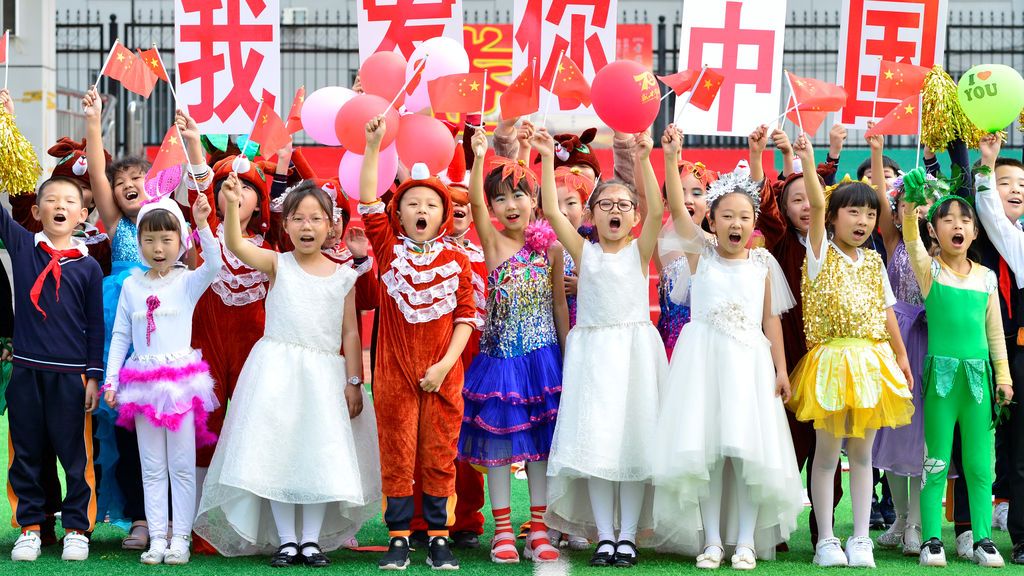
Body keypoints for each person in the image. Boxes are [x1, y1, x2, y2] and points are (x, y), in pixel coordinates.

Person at [194, 178, 380, 567]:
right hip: (277, 372)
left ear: (331, 226)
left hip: (324, 377)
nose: (307, 226)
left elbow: (349, 331)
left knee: (318, 455)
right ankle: (286, 541)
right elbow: (236, 245)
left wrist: (353, 380)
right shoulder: (278, 263)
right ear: (285, 225)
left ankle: (310, 541)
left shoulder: (344, 275)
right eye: (298, 218)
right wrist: (230, 207)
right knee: (275, 454)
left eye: (316, 219)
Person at [652, 125, 803, 570]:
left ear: (753, 223)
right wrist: (671, 156)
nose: (736, 224)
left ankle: (745, 542)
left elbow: (770, 320)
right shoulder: (700, 254)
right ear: (712, 221)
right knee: (711, 454)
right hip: (703, 364)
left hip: (750, 364)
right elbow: (679, 212)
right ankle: (713, 541)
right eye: (727, 216)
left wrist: (780, 369)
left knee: (748, 453)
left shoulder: (762, 262)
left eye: (744, 216)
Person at [538, 125, 667, 568]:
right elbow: (553, 212)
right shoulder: (583, 251)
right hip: (592, 357)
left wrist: (646, 158)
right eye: (606, 205)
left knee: (632, 445)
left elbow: (657, 214)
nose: (616, 211)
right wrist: (544, 159)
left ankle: (628, 536)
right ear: (592, 215)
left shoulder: (640, 250)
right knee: (595, 445)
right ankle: (605, 537)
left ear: (633, 216)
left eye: (623, 206)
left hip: (633, 354)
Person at [786, 134, 915, 568]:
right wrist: (807, 161)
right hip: (829, 362)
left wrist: (899, 356)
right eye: (853, 211)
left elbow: (887, 312)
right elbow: (817, 207)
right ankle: (826, 540)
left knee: (862, 455)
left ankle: (861, 538)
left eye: (869, 212)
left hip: (872, 362)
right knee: (826, 457)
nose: (862, 220)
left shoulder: (875, 261)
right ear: (835, 217)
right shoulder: (818, 252)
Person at [360, 116, 477, 570]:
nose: (421, 209)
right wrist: (373, 147)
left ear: (443, 212)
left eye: (430, 202)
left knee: (439, 453)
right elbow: (368, 198)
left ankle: (440, 537)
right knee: (397, 451)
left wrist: (444, 366)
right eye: (412, 203)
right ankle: (398, 536)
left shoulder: (457, 259)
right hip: (393, 375)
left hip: (444, 374)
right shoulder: (389, 249)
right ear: (400, 212)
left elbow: (466, 317)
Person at [458, 131, 568, 564]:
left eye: (519, 194)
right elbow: (476, 203)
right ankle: (503, 530)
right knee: (501, 447)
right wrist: (479, 156)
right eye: (501, 198)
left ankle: (537, 529)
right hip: (500, 361)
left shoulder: (552, 249)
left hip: (543, 360)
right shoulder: (493, 242)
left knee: (541, 447)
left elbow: (559, 303)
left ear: (534, 200)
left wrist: (567, 354)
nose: (510, 205)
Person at [899, 162, 1010, 567]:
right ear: (936, 230)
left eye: (964, 219)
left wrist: (1006, 377)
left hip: (980, 382)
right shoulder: (930, 272)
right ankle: (932, 539)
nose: (956, 225)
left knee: (982, 463)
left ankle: (982, 539)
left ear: (975, 232)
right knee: (937, 460)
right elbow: (910, 240)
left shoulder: (985, 277)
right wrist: (912, 208)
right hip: (941, 381)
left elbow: (995, 333)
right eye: (947, 219)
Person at [103, 195, 222, 565]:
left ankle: (180, 539)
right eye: (150, 240)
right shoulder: (132, 286)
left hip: (179, 384)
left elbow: (215, 264)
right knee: (151, 466)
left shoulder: (188, 281)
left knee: (182, 465)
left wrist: (203, 224)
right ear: (139, 244)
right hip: (141, 383)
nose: (158, 248)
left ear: (181, 242)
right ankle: (157, 538)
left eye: (167, 240)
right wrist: (110, 381)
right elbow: (121, 335)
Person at [0, 176, 104, 562]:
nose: (59, 206)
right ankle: (29, 527)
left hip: (72, 376)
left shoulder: (89, 267)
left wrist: (94, 375)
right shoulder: (24, 247)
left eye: (68, 201)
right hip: (26, 372)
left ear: (81, 214)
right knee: (24, 454)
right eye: (51, 200)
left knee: (76, 457)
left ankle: (77, 528)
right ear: (36, 211)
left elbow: (96, 325)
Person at [864, 128, 927, 555]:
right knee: (896, 431)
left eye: (919, 204)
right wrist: (877, 150)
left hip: (931, 340)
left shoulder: (938, 243)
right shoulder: (892, 239)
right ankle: (901, 518)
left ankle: (919, 524)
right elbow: (885, 206)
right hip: (896, 340)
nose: (911, 210)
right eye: (904, 202)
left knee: (924, 436)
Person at [975, 133, 1024, 565]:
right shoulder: (1019, 243)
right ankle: (1022, 537)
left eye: (1023, 187)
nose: (1018, 192)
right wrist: (987, 166)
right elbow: (991, 215)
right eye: (1013, 185)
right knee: (1020, 450)